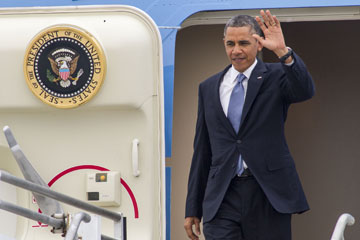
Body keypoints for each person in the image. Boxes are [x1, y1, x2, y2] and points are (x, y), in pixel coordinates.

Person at [184, 10, 315, 240]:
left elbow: (305, 90)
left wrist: (283, 52)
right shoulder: (208, 87)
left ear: (259, 43)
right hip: (223, 195)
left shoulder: (276, 76)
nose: (236, 50)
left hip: (267, 194)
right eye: (230, 43)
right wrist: (192, 208)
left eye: (244, 43)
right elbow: (202, 150)